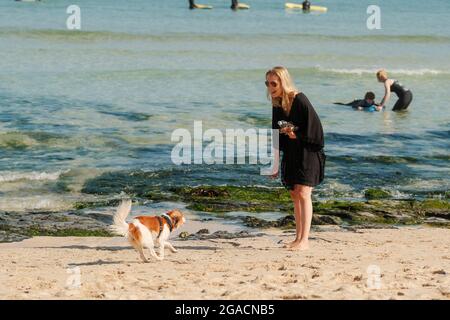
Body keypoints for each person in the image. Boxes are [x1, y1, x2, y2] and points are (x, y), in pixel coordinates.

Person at [268, 66, 325, 251]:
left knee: (304, 193)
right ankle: (297, 238)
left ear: (283, 82)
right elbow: (275, 135)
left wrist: (296, 134)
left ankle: (305, 241)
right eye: (267, 83)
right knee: (294, 195)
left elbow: (316, 129)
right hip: (292, 153)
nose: (270, 87)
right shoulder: (276, 103)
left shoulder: (299, 99)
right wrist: (274, 164)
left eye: (274, 83)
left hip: (308, 152)